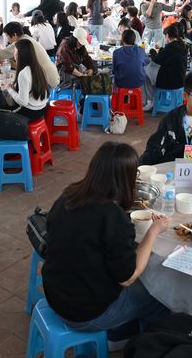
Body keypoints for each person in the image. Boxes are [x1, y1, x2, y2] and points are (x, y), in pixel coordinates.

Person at [42, 142, 170, 346]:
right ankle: (143, 347)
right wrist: (153, 231)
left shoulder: (69, 194)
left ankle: (122, 333)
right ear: (126, 178)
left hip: (56, 296)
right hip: (85, 314)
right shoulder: (113, 216)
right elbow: (127, 277)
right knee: (159, 295)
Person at [0, 21, 60, 88]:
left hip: (46, 80)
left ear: (14, 35)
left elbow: (3, 53)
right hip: (50, 75)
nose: (7, 39)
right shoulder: (26, 38)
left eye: (7, 36)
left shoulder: (22, 43)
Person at [6, 39, 49, 121]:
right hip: (42, 109)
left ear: (20, 54)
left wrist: (9, 89)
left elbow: (23, 102)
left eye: (15, 51)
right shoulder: (39, 68)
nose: (14, 53)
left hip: (30, 112)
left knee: (2, 112)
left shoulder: (23, 73)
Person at [148, 23, 187, 94]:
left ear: (167, 35)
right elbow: (168, 55)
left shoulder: (170, 47)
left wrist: (152, 51)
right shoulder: (181, 45)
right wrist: (161, 49)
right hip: (181, 81)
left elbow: (157, 60)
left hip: (169, 83)